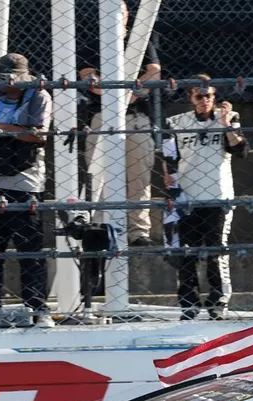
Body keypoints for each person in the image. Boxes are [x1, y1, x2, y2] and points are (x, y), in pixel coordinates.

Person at [0, 53, 54, 327]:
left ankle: (36, 308)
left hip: (25, 182)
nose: (3, 83)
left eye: (7, 78)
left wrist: (1, 129)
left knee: (29, 249)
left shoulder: (38, 96)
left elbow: (39, 135)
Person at [161, 75, 247, 320]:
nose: (205, 101)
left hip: (218, 195)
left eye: (209, 96)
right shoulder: (175, 122)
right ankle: (188, 302)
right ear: (191, 97)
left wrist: (225, 123)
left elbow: (241, 150)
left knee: (215, 250)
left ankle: (218, 300)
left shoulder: (229, 117)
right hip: (186, 195)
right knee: (186, 251)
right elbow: (168, 159)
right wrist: (173, 187)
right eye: (199, 96)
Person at [79, 0, 161, 246]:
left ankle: (138, 232)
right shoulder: (93, 44)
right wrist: (112, 93)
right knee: (98, 175)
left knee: (138, 177)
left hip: (134, 116)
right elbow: (87, 75)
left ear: (127, 16)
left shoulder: (139, 41)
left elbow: (154, 71)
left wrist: (129, 92)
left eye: (120, 12)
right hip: (103, 116)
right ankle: (102, 227)